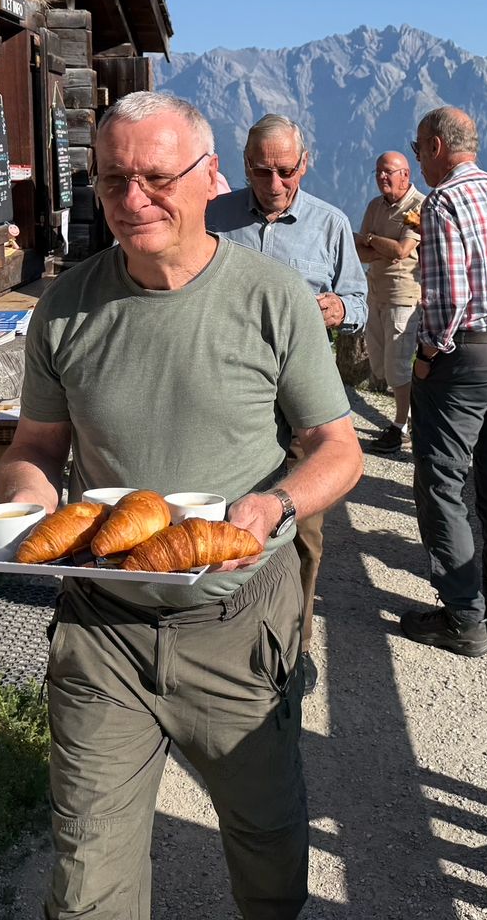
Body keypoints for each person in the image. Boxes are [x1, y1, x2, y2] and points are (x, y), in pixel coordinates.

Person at [0, 91, 363, 920]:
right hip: (102, 630)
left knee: (268, 853)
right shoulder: (65, 307)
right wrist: (26, 507)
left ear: (208, 178)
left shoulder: (273, 298)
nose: (133, 200)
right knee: (86, 882)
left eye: (156, 178)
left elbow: (338, 450)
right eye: (113, 179)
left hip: (238, 620)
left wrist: (274, 505)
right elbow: (35, 450)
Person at [208, 113, 367, 677]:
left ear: (305, 163)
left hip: (302, 399)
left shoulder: (330, 223)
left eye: (285, 170)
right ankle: (219, 636)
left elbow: (359, 301)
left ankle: (292, 650)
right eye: (260, 171)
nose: (274, 183)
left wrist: (340, 308)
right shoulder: (213, 216)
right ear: (243, 165)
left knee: (300, 527)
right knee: (221, 508)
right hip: (225, 391)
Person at [404, 106, 487, 656]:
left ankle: (463, 617)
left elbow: (449, 297)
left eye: (418, 148)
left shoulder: (443, 201)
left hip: (470, 356)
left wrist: (425, 355)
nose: (418, 159)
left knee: (441, 481)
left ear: (437, 145)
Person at [355, 151, 425, 454]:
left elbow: (401, 250)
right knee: (380, 363)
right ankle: (407, 415)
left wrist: (372, 239)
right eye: (378, 172)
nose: (381, 177)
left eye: (388, 172)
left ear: (405, 175)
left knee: (397, 365)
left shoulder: (418, 206)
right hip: (376, 292)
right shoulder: (375, 205)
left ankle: (400, 427)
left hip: (404, 296)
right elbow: (359, 250)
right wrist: (377, 245)